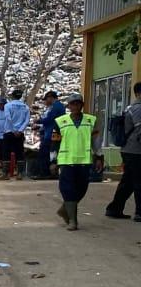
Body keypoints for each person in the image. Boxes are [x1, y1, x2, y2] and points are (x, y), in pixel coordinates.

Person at [53, 94, 102, 231]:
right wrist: (53, 161)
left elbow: (96, 142)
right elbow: (54, 143)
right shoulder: (60, 122)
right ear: (68, 106)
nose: (75, 106)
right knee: (68, 189)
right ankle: (73, 221)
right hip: (66, 161)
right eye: (72, 104)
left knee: (81, 189)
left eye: (78, 103)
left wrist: (99, 158)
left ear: (82, 105)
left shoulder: (91, 120)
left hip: (84, 161)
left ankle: (65, 209)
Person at [106, 83, 141, 220]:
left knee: (129, 182)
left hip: (129, 150)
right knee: (138, 181)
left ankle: (114, 209)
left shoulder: (130, 108)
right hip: (135, 151)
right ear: (138, 94)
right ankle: (139, 213)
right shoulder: (138, 108)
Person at [2, 89, 30, 180]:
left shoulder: (8, 105)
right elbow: (27, 120)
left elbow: (8, 118)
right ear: (20, 96)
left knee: (6, 152)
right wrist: (20, 130)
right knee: (19, 153)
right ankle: (20, 174)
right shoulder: (25, 107)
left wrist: (14, 130)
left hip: (9, 132)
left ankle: (5, 174)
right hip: (19, 134)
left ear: (12, 96)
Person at [36, 91, 66, 180]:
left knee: (45, 154)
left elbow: (50, 119)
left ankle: (45, 173)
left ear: (50, 98)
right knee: (52, 154)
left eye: (46, 99)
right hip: (52, 133)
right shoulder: (58, 106)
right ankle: (51, 172)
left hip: (51, 135)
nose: (45, 101)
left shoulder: (56, 107)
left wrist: (39, 121)